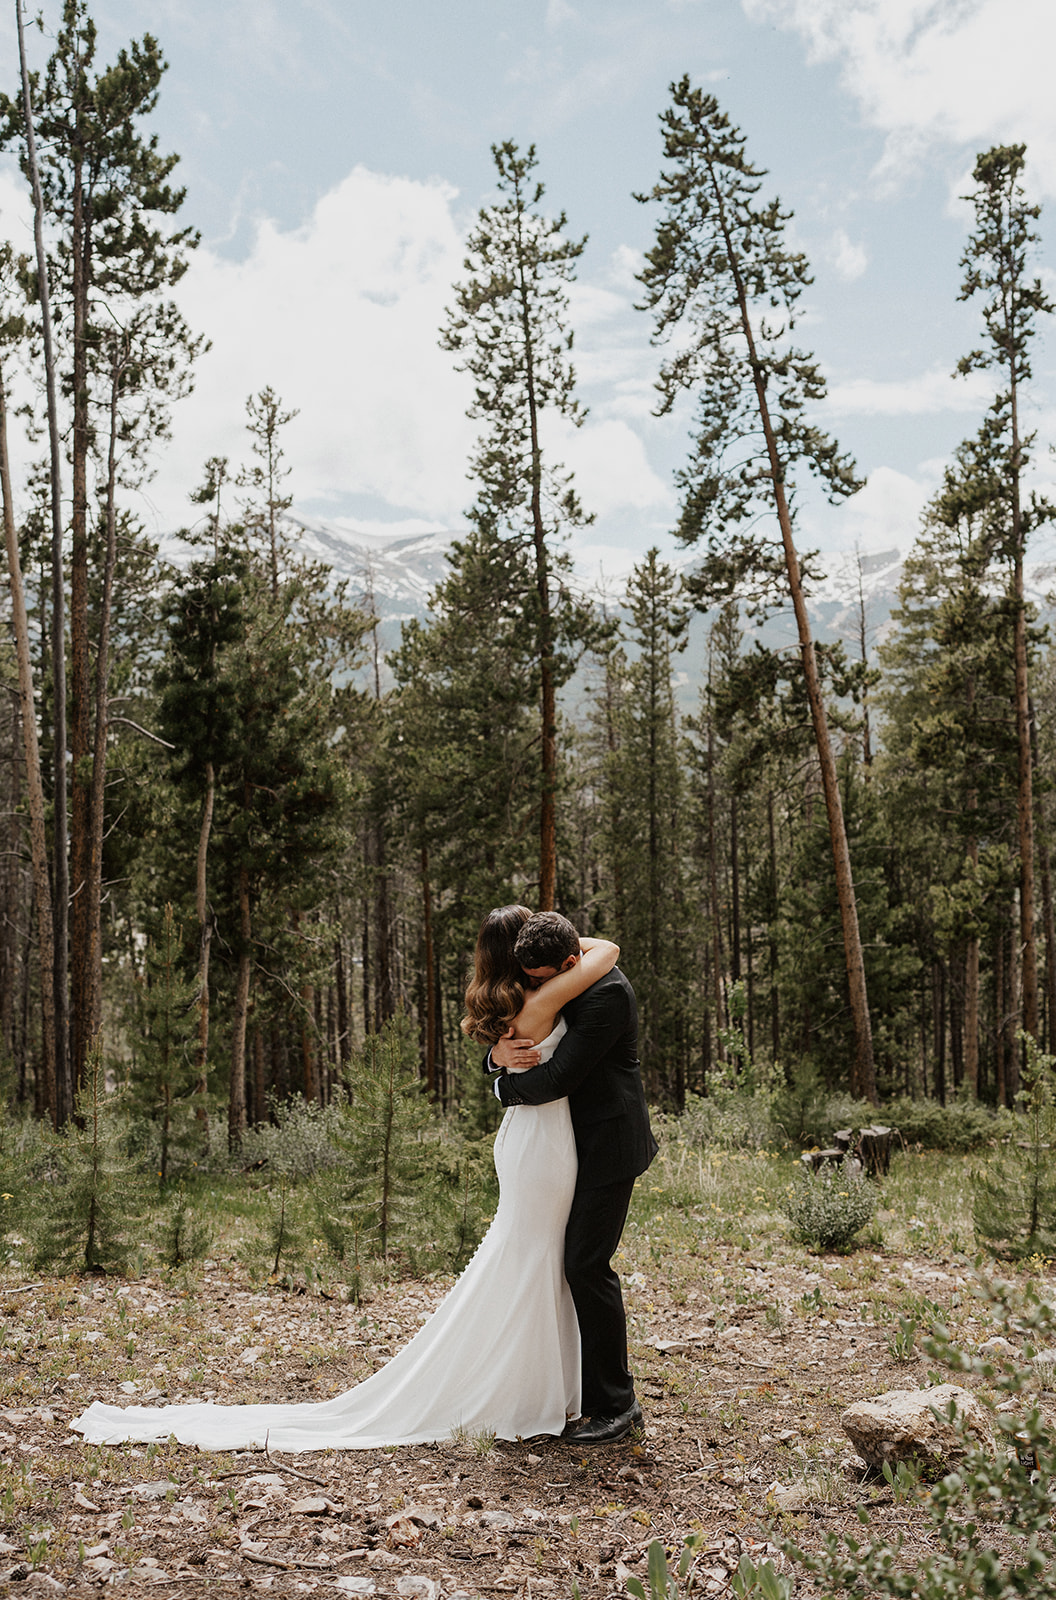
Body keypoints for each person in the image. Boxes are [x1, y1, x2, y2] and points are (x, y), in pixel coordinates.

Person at [70, 905, 619, 1454]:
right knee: (536, 1259)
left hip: (529, 1141)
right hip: (544, 1145)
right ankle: (532, 1389)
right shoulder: (544, 998)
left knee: (536, 1259)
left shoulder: (510, 1004)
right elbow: (607, 950)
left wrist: (498, 1058)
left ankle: (550, 1385)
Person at [488, 910, 658, 1444]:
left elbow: (558, 1077)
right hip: (569, 1149)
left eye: (541, 980)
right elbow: (516, 1034)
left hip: (607, 1145)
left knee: (587, 1266)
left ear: (568, 962)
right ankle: (577, 1389)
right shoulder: (572, 971)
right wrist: (497, 1060)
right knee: (564, 1264)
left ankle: (618, 1403)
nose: (536, 990)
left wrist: (500, 1091)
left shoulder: (607, 995)